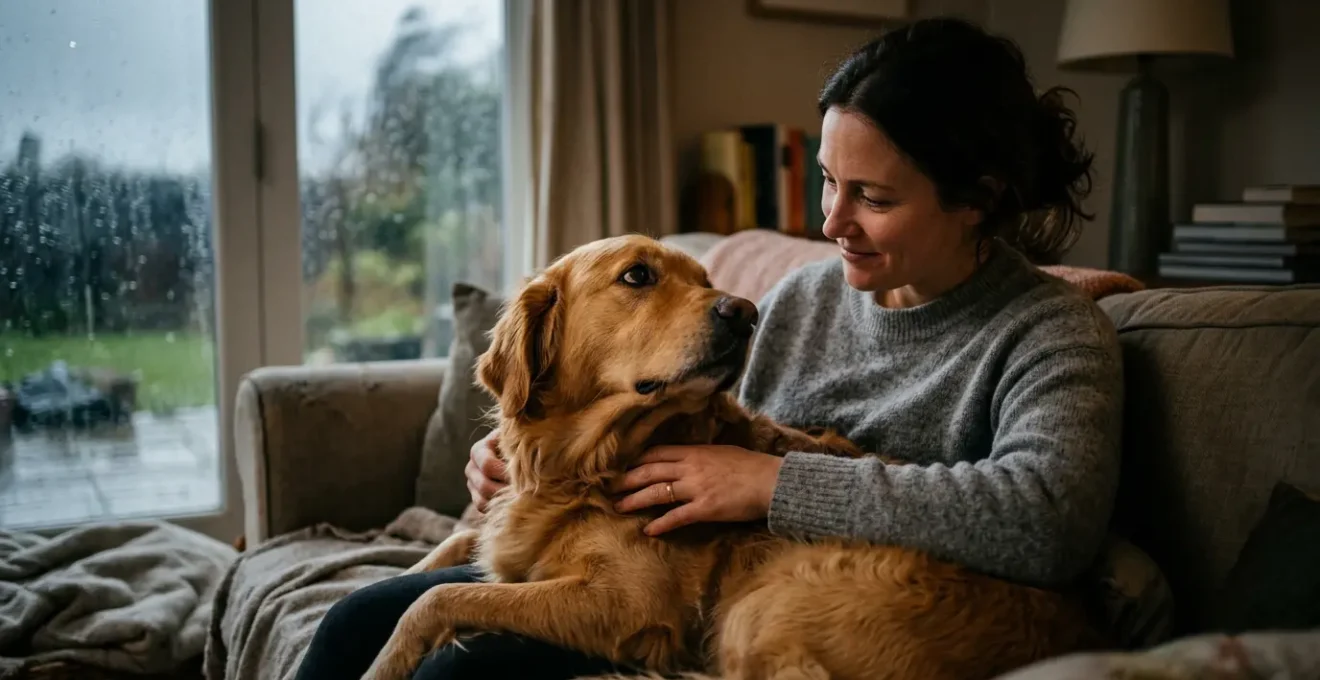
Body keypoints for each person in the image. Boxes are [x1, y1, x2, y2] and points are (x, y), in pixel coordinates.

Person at [294, 16, 1122, 680]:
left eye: (871, 196)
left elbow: (1045, 524)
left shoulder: (1050, 333)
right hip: (684, 570)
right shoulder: (802, 298)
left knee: (455, 670)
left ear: (977, 198)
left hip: (875, 609)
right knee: (353, 622)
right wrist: (530, 454)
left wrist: (776, 485)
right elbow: (686, 428)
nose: (831, 225)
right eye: (829, 183)